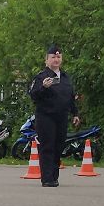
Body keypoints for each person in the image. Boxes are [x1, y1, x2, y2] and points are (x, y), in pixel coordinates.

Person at [27, 44, 80, 187]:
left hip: (61, 117)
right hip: (46, 117)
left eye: (58, 57)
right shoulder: (41, 77)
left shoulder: (65, 77)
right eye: (53, 57)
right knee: (47, 146)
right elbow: (33, 95)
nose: (56, 59)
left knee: (58, 146)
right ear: (46, 60)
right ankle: (47, 178)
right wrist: (43, 87)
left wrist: (75, 113)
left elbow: (70, 97)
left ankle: (54, 177)